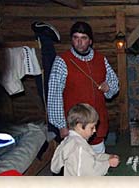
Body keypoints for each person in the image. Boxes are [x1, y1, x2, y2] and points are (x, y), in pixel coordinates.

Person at [47, 21, 119, 153]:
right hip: (75, 128)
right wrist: (62, 126)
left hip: (96, 126)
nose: (79, 42)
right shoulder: (62, 61)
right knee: (76, 167)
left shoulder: (101, 59)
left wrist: (108, 87)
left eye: (83, 38)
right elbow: (54, 96)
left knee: (97, 165)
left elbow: (114, 83)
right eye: (76, 38)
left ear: (90, 41)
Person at [50, 103, 120, 176]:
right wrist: (108, 163)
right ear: (79, 126)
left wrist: (107, 157)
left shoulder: (68, 140)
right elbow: (90, 173)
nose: (95, 130)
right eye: (92, 127)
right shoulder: (79, 146)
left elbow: (55, 167)